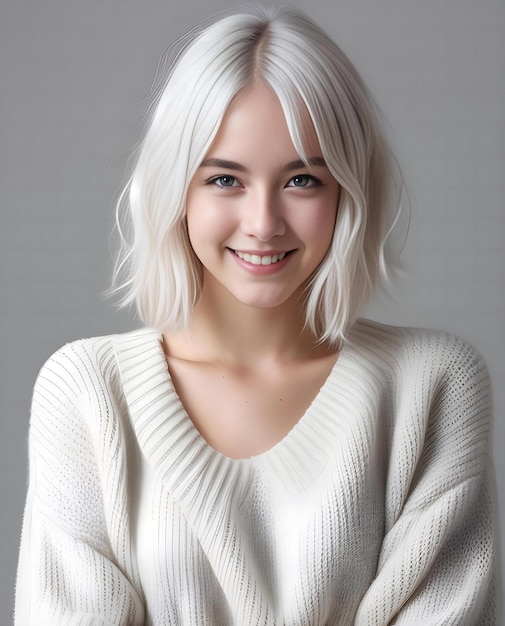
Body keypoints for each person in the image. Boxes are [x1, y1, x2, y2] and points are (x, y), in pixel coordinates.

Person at [14, 7, 497, 625]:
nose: (263, 222)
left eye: (302, 179)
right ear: (175, 188)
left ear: (348, 190)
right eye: (224, 180)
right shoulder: (86, 391)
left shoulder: (432, 385)